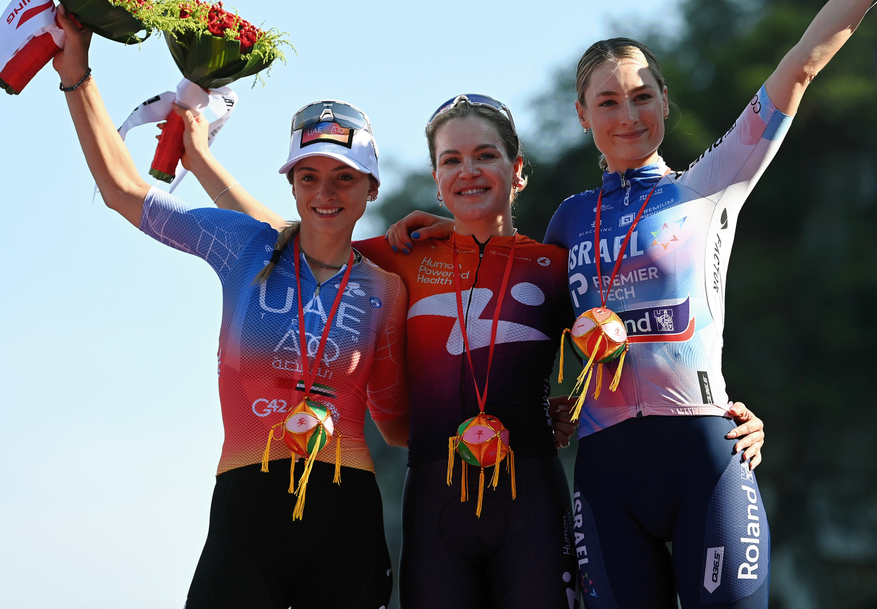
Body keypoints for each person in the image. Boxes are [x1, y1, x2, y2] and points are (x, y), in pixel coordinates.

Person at [395, 0, 877, 608]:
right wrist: (439, 228)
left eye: (641, 96)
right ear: (582, 116)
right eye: (608, 102)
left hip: (706, 457)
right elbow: (518, 297)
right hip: (606, 475)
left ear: (665, 101)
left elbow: (802, 67)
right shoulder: (567, 222)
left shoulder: (709, 186)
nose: (627, 115)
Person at [180, 92, 766, 609]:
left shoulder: (554, 263)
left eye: (485, 155)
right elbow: (293, 238)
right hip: (435, 502)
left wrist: (725, 409)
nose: (468, 172)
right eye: (451, 161)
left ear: (518, 172)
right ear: (435, 178)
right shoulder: (398, 255)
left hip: (532, 496)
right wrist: (202, 159)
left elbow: (640, 342)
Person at [51, 6, 409, 609]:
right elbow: (122, 190)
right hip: (247, 511)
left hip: (346, 517)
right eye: (309, 175)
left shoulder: (388, 290)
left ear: (371, 187)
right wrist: (76, 72)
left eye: (344, 178)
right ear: (291, 182)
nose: (325, 192)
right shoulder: (246, 246)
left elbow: (399, 424)